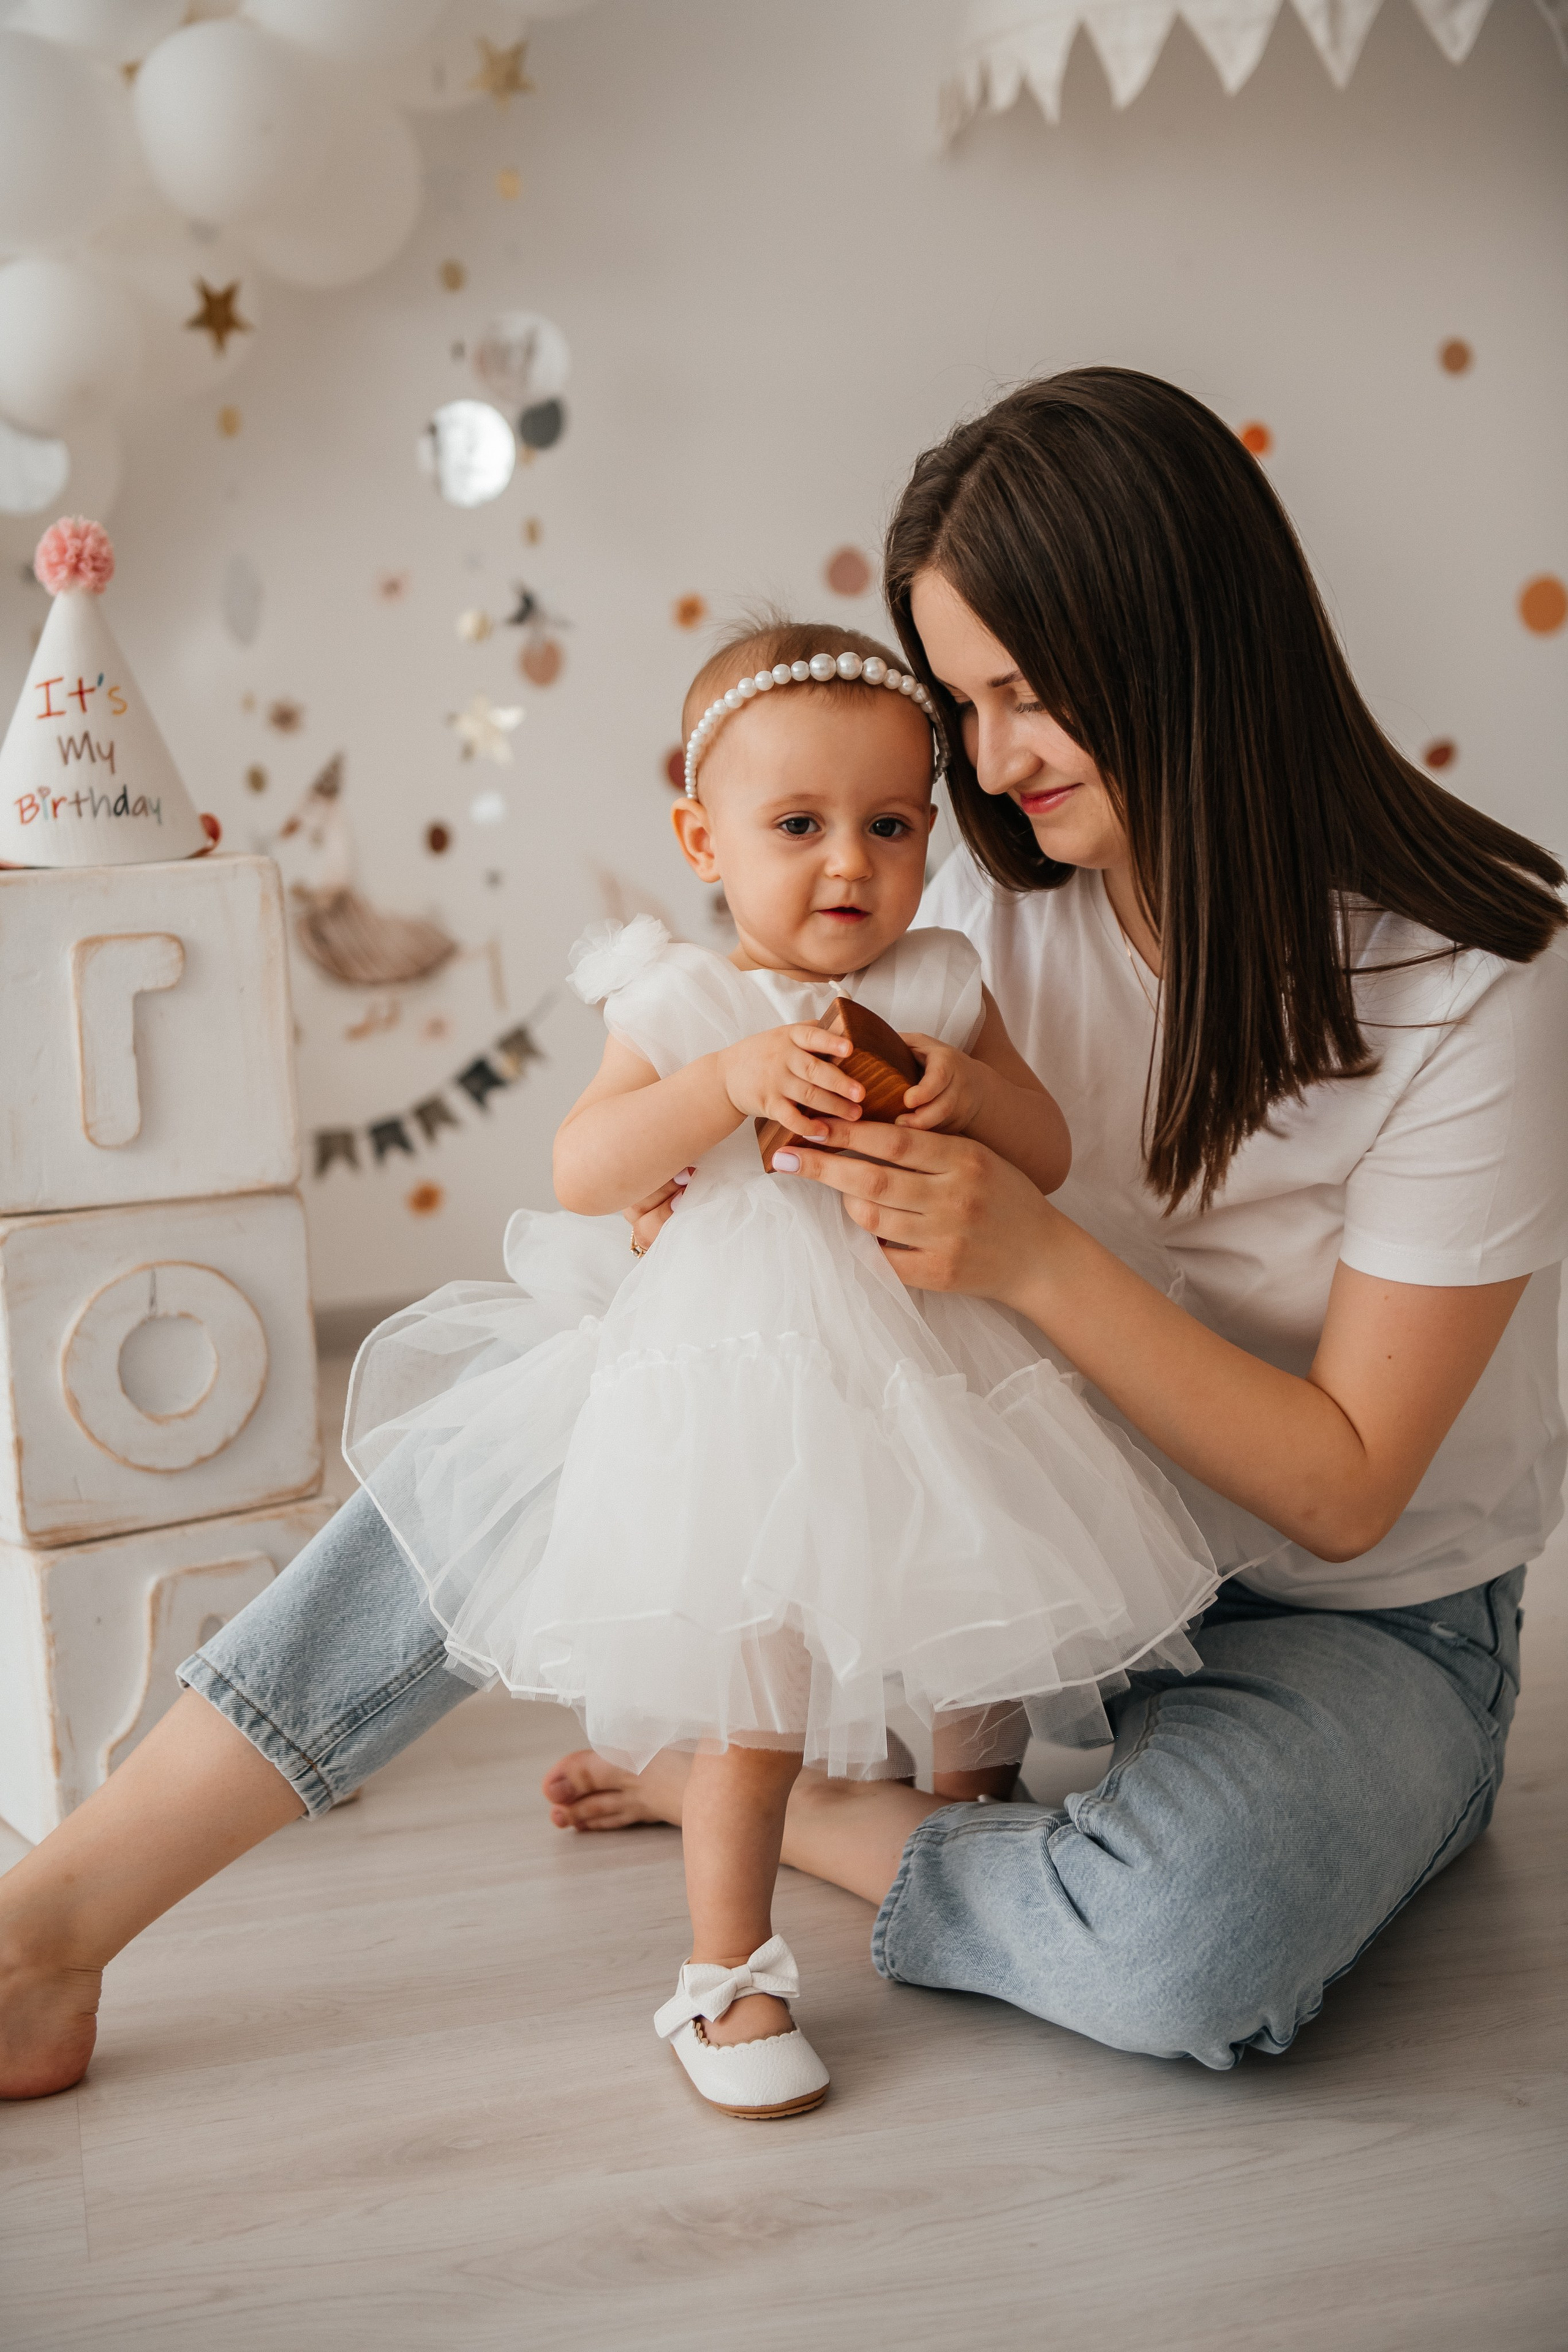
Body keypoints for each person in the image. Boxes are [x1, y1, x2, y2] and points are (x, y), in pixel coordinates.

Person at [2, 368, 1562, 2104]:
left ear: (1190, 645)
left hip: (1348, 1613)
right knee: (579, 1394)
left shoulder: (1474, 984)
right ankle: (52, 1924)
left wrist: (1029, 1250)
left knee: (1191, 1943)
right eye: (963, 707)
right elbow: (725, 1022)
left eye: (1030, 697)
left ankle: (786, 1801)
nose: (986, 765)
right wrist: (705, 1189)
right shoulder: (971, 879)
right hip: (999, 1490)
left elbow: (1348, 1487)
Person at [337, 614, 1218, 2118]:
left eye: (887, 826)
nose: (846, 866)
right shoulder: (680, 1002)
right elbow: (581, 1165)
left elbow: (1051, 1150)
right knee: (755, 1691)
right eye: (796, 826)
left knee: (973, 1642)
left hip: (936, 1367)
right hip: (745, 1389)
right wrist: (722, 1084)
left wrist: (965, 1092)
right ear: (701, 834)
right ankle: (724, 1970)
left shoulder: (937, 981)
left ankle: (966, 1838)